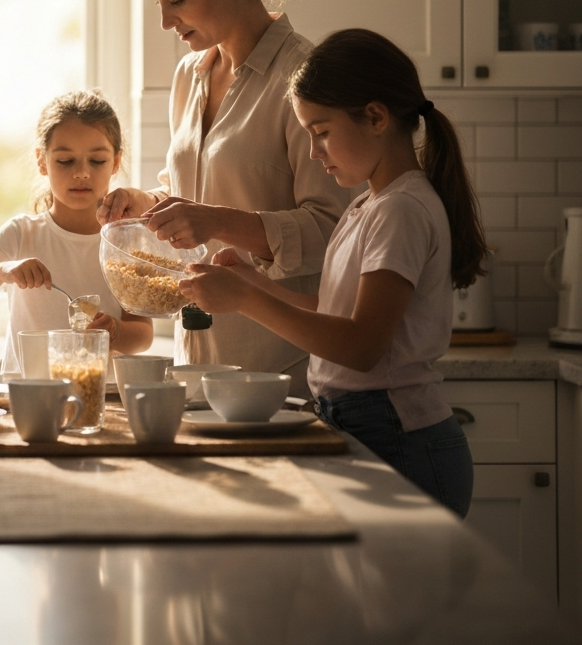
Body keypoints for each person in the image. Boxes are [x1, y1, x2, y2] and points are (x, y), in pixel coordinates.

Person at [180, 29, 484, 516]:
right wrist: (252, 283)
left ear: (376, 117)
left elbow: (361, 347)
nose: (316, 152)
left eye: (321, 132)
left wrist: (244, 301)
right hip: (368, 425)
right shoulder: (371, 204)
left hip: (397, 437)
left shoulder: (399, 210)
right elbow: (334, 313)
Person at [99, 0, 349, 393]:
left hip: (279, 370)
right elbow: (189, 188)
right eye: (158, 4)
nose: (167, 23)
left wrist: (215, 221)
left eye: (177, 0)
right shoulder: (189, 75)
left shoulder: (304, 79)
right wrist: (145, 204)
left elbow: (335, 231)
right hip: (197, 361)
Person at [0, 91, 153, 377]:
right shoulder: (21, 234)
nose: (81, 173)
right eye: (66, 161)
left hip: (99, 395)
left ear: (116, 162)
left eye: (97, 161)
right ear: (42, 161)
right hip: (28, 394)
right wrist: (3, 271)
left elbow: (143, 335)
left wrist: (115, 331)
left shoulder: (126, 243)